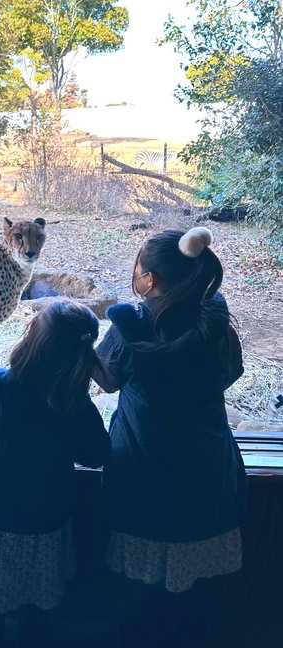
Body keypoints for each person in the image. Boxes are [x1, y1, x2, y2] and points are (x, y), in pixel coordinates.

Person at [94, 227, 248, 647]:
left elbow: (107, 379)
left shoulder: (135, 321)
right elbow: (231, 373)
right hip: (206, 465)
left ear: (151, 281)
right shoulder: (216, 320)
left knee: (140, 586)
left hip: (144, 466)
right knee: (192, 585)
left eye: (140, 270)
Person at [0, 300, 111, 648]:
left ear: (31, 337)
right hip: (47, 519)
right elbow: (97, 454)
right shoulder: (73, 402)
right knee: (43, 597)